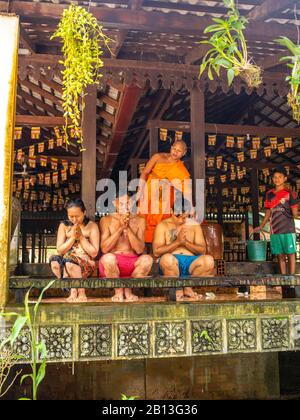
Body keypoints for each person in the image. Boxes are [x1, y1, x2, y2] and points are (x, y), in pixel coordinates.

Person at [152, 199, 215, 301]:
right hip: (170, 262)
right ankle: (177, 289)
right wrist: (177, 242)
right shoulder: (163, 226)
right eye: (178, 216)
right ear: (172, 211)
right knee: (167, 259)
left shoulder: (194, 225)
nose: (181, 220)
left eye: (184, 217)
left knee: (209, 261)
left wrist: (185, 242)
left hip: (191, 263)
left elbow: (202, 250)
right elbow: (156, 251)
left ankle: (187, 287)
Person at [99, 193, 153, 302]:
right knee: (108, 258)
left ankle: (128, 290)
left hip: (132, 264)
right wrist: (120, 229)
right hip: (112, 265)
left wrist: (127, 228)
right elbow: (104, 249)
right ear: (115, 203)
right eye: (122, 204)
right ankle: (118, 291)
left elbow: (139, 249)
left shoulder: (140, 220)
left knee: (148, 260)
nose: (126, 207)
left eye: (128, 203)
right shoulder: (106, 220)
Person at [254, 167, 299, 295]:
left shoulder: (291, 193)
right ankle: (284, 280)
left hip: (288, 229)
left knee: (290, 253)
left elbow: (295, 213)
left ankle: (292, 279)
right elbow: (268, 212)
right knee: (280, 255)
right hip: (275, 230)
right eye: (275, 177)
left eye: (280, 177)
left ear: (285, 178)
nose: (277, 179)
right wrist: (262, 225)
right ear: (272, 179)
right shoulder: (269, 194)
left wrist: (290, 209)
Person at [138, 140, 192, 243]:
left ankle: (158, 246)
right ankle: (142, 246)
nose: (175, 152)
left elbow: (187, 191)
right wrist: (139, 191)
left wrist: (191, 208)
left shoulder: (182, 170)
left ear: (184, 153)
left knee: (161, 222)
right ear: (171, 147)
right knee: (143, 219)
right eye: (174, 149)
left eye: (179, 151)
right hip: (148, 192)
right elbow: (145, 172)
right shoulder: (158, 157)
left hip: (164, 197)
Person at [50, 198, 100, 303]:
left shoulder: (92, 226)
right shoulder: (64, 226)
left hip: (85, 262)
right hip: (67, 260)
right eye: (71, 216)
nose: (74, 219)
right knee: (54, 261)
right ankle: (68, 283)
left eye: (77, 216)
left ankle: (79, 291)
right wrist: (72, 238)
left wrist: (81, 237)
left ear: (84, 212)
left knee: (70, 262)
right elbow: (60, 250)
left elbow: (94, 253)